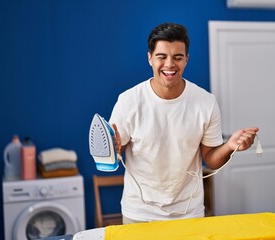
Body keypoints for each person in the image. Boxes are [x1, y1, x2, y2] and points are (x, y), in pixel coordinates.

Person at [108, 22, 259, 224]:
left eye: (177, 57)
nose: (170, 64)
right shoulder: (128, 101)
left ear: (186, 59)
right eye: (162, 56)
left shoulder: (206, 102)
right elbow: (114, 154)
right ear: (150, 58)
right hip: (139, 213)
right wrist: (113, 150)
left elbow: (211, 159)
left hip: (189, 212)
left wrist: (229, 146)